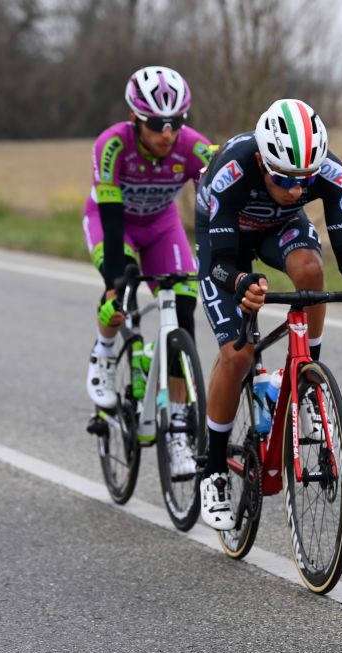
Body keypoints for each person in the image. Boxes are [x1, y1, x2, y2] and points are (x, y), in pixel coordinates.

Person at [194, 98, 342, 530]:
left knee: (310, 269)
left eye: (305, 181)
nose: (296, 191)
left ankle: (307, 383)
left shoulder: (330, 174)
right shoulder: (231, 171)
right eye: (285, 179)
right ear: (263, 163)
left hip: (279, 228)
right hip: (225, 242)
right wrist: (241, 284)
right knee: (237, 353)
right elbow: (223, 262)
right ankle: (212, 469)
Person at [83, 65, 214, 477]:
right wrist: (114, 278)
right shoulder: (112, 145)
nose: (168, 133)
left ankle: (177, 430)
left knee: (186, 309)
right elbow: (110, 212)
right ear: (136, 119)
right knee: (119, 291)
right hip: (114, 224)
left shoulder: (195, 149)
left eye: (176, 122)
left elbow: (217, 205)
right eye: (157, 124)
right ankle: (104, 354)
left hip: (161, 227)